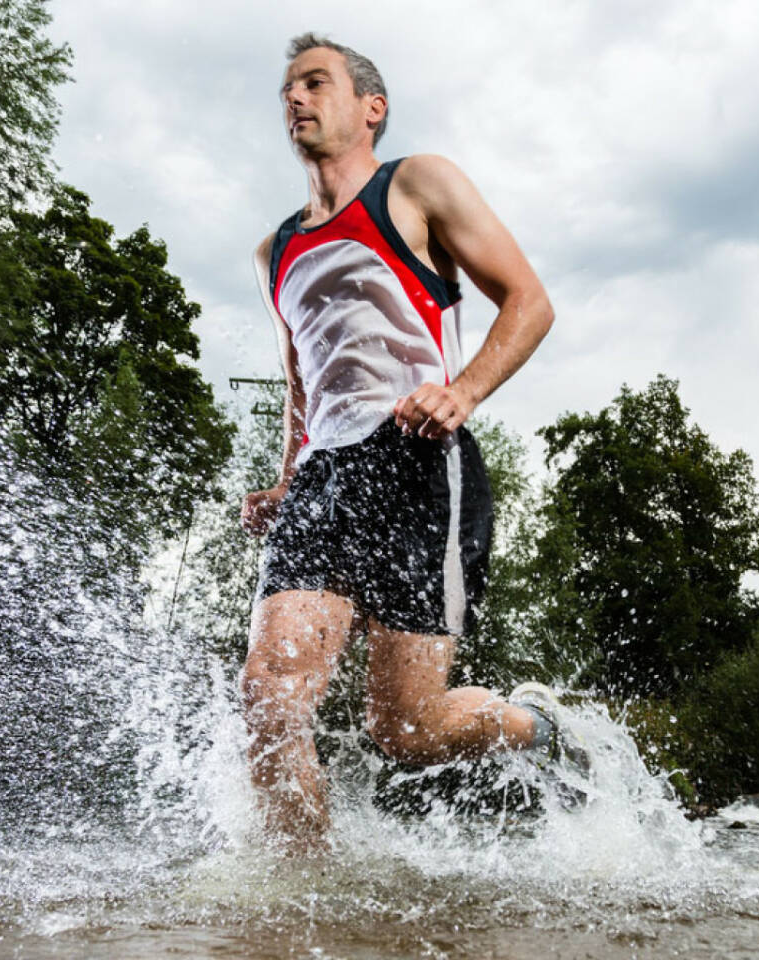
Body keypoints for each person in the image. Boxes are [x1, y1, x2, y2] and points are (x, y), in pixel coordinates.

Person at [238, 33, 582, 850]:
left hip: (419, 463)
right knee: (269, 695)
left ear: (370, 107)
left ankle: (539, 728)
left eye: (315, 83)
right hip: (323, 480)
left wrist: (461, 391)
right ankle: (303, 906)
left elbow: (529, 301)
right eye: (287, 88)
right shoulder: (275, 249)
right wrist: (288, 474)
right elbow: (300, 373)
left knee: (406, 729)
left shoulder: (415, 185)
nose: (295, 98)